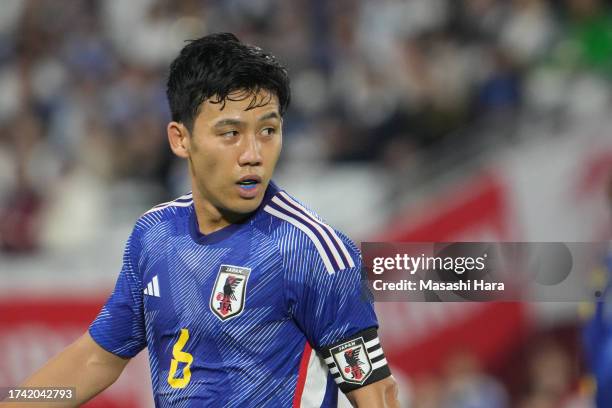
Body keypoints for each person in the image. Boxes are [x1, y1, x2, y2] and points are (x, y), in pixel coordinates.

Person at [3, 33, 398, 408]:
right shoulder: (154, 236)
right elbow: (95, 359)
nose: (253, 153)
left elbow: (377, 395)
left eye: (268, 131)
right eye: (230, 133)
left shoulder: (311, 251)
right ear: (180, 139)